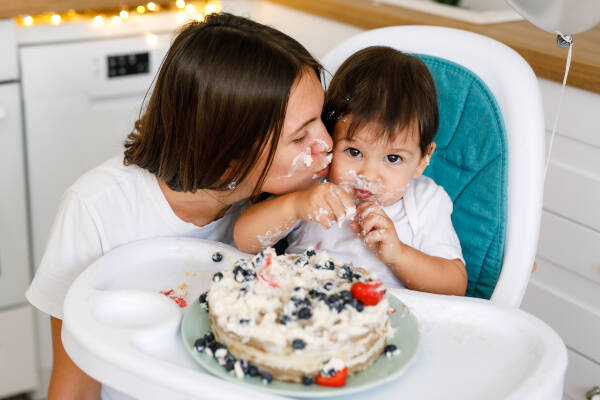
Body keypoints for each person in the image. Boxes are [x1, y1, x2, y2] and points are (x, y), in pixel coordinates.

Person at [25, 13, 333, 400]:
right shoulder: (98, 210)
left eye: (321, 120)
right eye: (301, 136)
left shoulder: (294, 206)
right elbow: (75, 388)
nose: (326, 144)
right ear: (229, 152)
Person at [234, 46, 467, 296]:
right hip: (299, 309)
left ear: (423, 159)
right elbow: (244, 239)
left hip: (381, 322)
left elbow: (455, 286)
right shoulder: (315, 186)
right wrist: (295, 206)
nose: (368, 174)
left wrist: (398, 255)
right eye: (354, 152)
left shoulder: (426, 202)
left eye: (392, 158)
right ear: (330, 136)